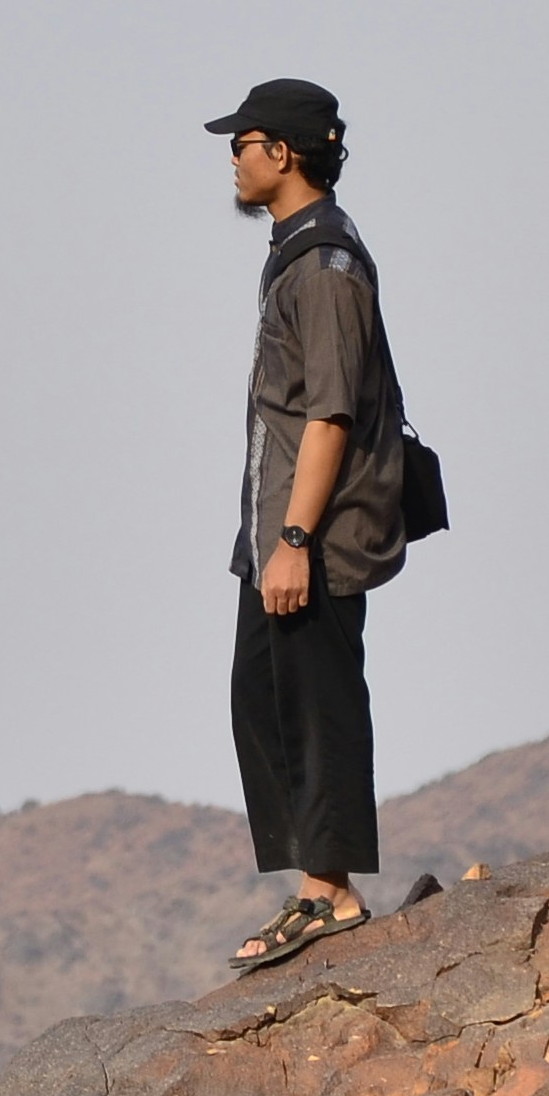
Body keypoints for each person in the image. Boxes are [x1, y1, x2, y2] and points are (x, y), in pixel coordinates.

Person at [206, 75, 413, 970]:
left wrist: (294, 541)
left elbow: (330, 412)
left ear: (281, 153)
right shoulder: (296, 250)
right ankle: (313, 885)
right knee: (262, 696)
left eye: (242, 142)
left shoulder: (326, 265)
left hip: (314, 535)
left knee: (319, 703)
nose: (232, 158)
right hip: (276, 531)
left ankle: (331, 895)